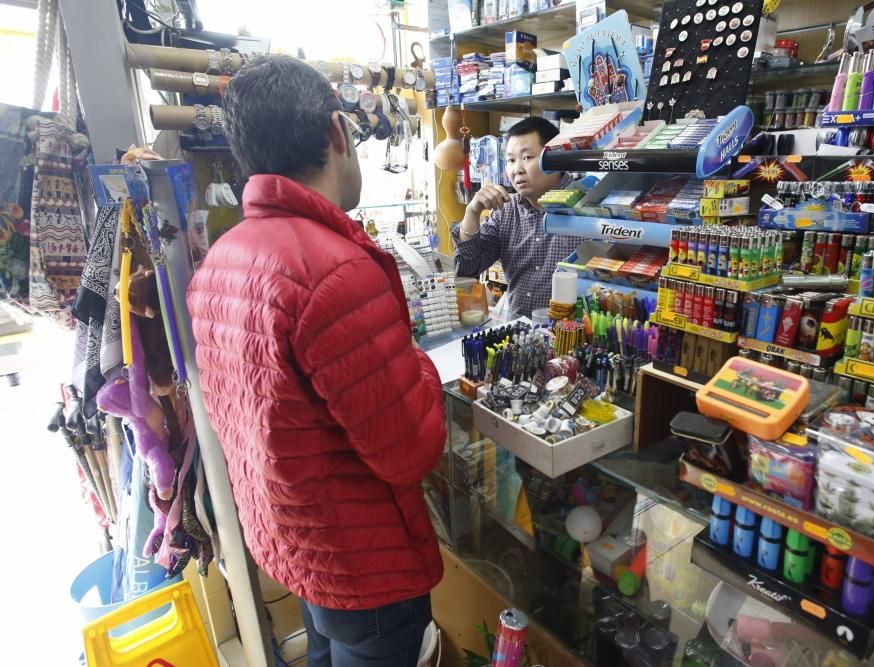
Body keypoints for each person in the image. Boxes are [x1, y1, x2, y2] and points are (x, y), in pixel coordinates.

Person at [186, 55, 446, 667]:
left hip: (295, 543)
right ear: (337, 132)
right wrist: (421, 367)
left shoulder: (223, 258)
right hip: (366, 569)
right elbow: (411, 448)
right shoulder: (336, 270)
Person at [452, 116, 586, 318]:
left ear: (555, 157)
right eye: (511, 160)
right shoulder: (505, 210)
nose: (517, 170)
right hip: (518, 335)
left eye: (527, 158)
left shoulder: (587, 208)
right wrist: (472, 211)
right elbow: (468, 269)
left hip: (572, 336)